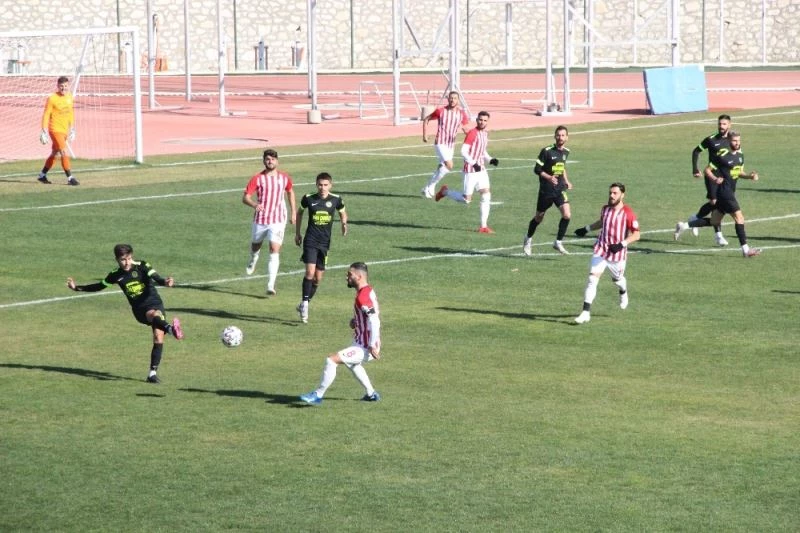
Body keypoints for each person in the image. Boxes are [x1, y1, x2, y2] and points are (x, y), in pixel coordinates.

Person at [65, 244, 184, 383]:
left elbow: (157, 278)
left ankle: (152, 374)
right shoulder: (115, 274)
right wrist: (77, 288)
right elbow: (99, 286)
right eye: (123, 259)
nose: (127, 262)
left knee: (158, 337)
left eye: (129, 258)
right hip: (139, 309)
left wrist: (166, 282)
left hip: (155, 302)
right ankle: (170, 329)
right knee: (153, 315)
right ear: (117, 259)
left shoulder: (143, 265)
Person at [299, 262, 382, 405]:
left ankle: (318, 395)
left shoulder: (362, 297)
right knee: (353, 365)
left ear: (359, 276)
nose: (347, 277)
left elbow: (375, 320)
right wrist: (356, 321)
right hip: (361, 342)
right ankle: (371, 394)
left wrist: (371, 345)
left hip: (365, 346)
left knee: (331, 360)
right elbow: (370, 314)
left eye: (350, 274)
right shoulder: (367, 291)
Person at [678, 132, 761, 258]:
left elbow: (739, 172)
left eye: (738, 140)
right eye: (734, 141)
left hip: (729, 192)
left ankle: (684, 226)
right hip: (725, 192)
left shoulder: (740, 156)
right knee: (739, 218)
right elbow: (707, 170)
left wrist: (750, 176)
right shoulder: (722, 156)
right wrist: (715, 179)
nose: (737, 143)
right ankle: (745, 250)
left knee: (714, 221)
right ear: (728, 141)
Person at [573, 182, 641, 324]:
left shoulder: (628, 213)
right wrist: (586, 229)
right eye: (610, 193)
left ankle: (623, 291)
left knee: (617, 280)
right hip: (601, 249)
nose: (611, 195)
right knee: (592, 279)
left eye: (615, 193)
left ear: (622, 195)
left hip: (617, 255)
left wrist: (621, 245)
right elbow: (602, 222)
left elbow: (636, 235)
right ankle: (585, 312)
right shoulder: (605, 209)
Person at [294, 172, 348, 324]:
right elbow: (299, 213)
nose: (322, 188)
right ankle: (305, 306)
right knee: (309, 273)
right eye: (320, 185)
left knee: (317, 279)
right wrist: (297, 233)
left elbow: (343, 212)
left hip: (324, 243)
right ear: (316, 184)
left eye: (325, 185)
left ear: (330, 185)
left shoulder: (336, 199)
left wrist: (344, 224)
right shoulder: (308, 198)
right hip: (310, 240)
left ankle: (304, 303)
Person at [242, 148, 297, 295]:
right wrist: (254, 204)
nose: (270, 161)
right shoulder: (257, 178)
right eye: (267, 159)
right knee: (256, 245)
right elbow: (245, 197)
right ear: (264, 161)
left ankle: (271, 284)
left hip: (278, 219)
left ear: (277, 161)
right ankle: (253, 258)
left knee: (274, 249)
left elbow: (290, 191)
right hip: (261, 219)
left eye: (272, 159)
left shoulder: (284, 177)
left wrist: (293, 212)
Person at [434, 111, 499, 233]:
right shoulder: (472, 133)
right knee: (466, 200)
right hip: (470, 170)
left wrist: (490, 159)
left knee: (486, 194)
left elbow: (482, 151)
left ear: (487, 122)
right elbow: (463, 151)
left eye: (485, 120)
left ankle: (483, 226)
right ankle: (445, 192)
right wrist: (474, 163)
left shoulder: (485, 134)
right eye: (480, 120)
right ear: (477, 120)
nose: (482, 122)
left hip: (481, 170)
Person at [677, 114, 733, 244]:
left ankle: (695, 218)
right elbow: (696, 151)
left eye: (724, 124)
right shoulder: (711, 139)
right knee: (714, 203)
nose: (721, 126)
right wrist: (695, 169)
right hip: (711, 175)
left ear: (729, 125)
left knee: (719, 205)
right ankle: (718, 236)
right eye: (719, 124)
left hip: (726, 177)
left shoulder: (732, 140)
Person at [523, 125, 573, 255]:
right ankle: (528, 238)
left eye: (563, 135)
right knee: (539, 218)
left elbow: (562, 167)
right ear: (555, 136)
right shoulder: (546, 151)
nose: (560, 137)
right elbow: (537, 169)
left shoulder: (566, 152)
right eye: (558, 135)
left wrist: (566, 181)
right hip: (546, 190)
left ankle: (558, 242)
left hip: (559, 189)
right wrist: (549, 178)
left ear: (567, 137)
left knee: (567, 215)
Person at [420, 90, 470, 199]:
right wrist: (425, 134)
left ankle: (427, 187)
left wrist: (471, 138)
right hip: (440, 142)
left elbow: (466, 128)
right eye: (451, 98)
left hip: (451, 144)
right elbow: (426, 119)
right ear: (448, 99)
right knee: (449, 165)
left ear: (458, 100)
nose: (452, 100)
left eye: (455, 98)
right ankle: (431, 185)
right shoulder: (441, 111)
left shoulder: (461, 113)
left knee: (442, 166)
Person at [38, 76, 78, 186]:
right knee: (64, 151)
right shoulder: (52, 98)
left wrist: (72, 128)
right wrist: (43, 130)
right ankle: (70, 178)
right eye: (61, 86)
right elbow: (46, 114)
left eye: (65, 86)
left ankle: (42, 175)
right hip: (55, 130)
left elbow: (70, 113)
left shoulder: (70, 97)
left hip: (64, 130)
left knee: (55, 153)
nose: (63, 88)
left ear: (68, 86)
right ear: (57, 86)